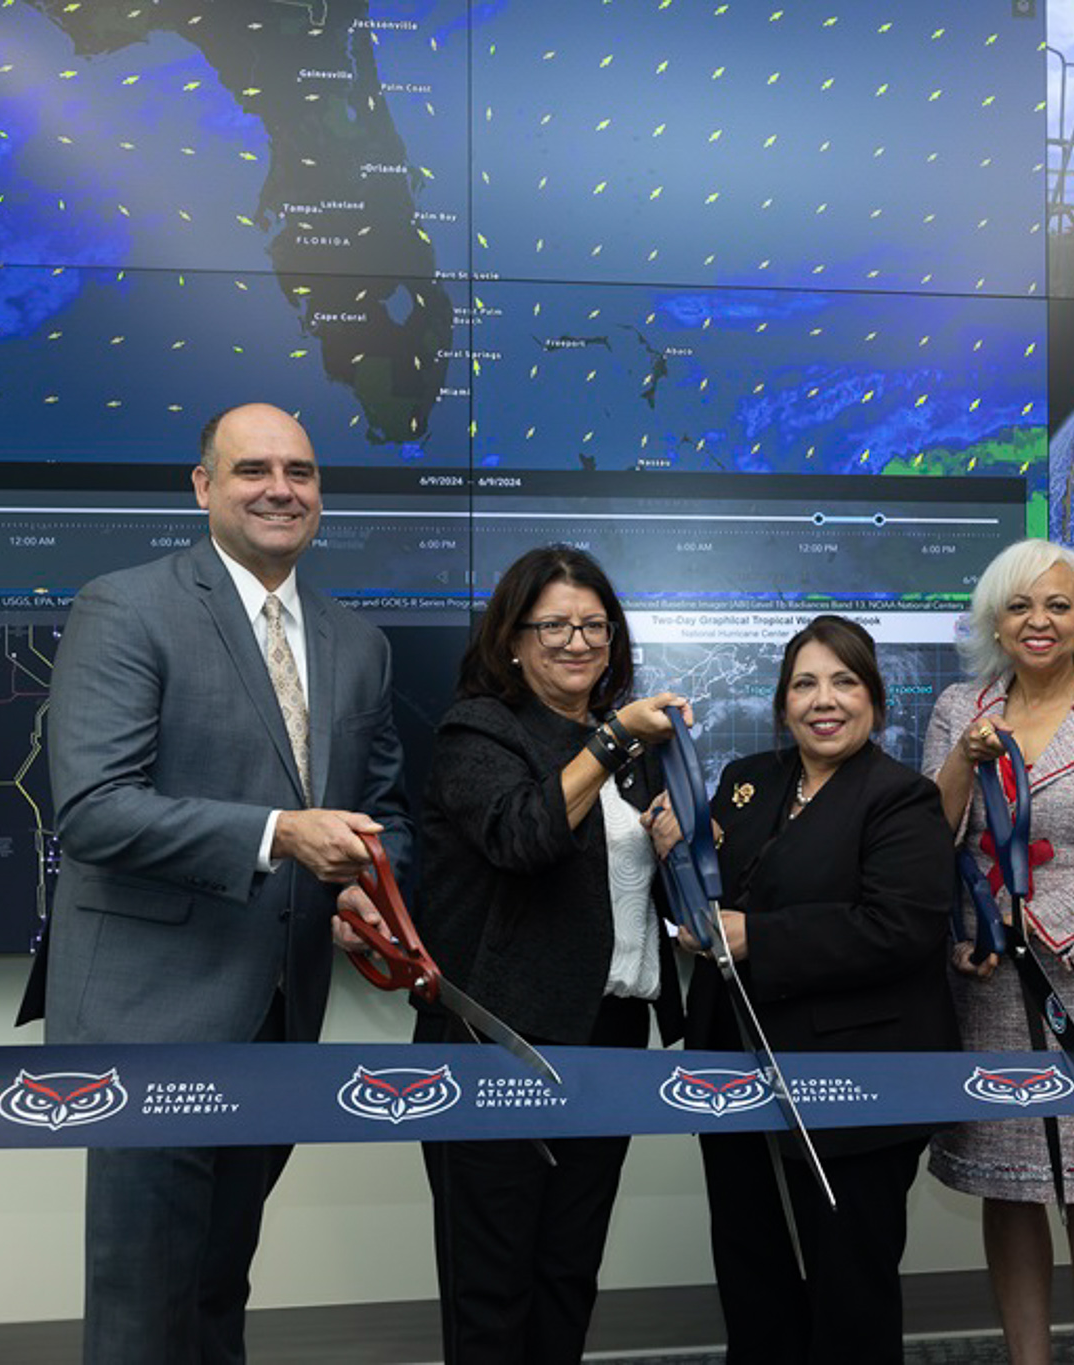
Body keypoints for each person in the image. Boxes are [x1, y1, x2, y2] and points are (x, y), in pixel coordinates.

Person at [38, 402, 410, 1365]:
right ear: (203, 487)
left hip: (280, 1020)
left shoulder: (357, 643)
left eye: (301, 472)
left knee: (216, 1290)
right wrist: (281, 835)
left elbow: (385, 812)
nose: (281, 490)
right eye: (253, 470)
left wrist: (367, 887)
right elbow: (94, 810)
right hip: (152, 1018)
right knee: (143, 1308)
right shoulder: (127, 607)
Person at [411, 545, 687, 1363]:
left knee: (569, 1273)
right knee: (492, 1287)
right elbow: (523, 837)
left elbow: (632, 896)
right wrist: (610, 737)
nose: (577, 641)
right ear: (512, 639)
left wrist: (679, 848)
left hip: (609, 1035)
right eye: (554, 625)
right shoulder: (478, 731)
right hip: (501, 1039)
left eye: (594, 625)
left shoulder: (631, 753)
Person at [681, 614, 959, 1364]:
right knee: (753, 1280)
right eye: (804, 684)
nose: (823, 700)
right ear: (783, 704)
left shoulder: (903, 798)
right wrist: (683, 892)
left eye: (844, 681)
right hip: (736, 1075)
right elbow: (714, 894)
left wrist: (756, 936)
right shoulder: (746, 781)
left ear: (875, 700)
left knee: (850, 1296)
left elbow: (899, 928)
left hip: (856, 1090)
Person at [924, 539, 1074, 1365]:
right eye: (1020, 605)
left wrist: (1025, 924)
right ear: (994, 620)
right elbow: (929, 837)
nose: (1040, 621)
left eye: (1058, 605)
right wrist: (964, 760)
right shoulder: (959, 708)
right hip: (984, 977)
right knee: (1009, 1184)